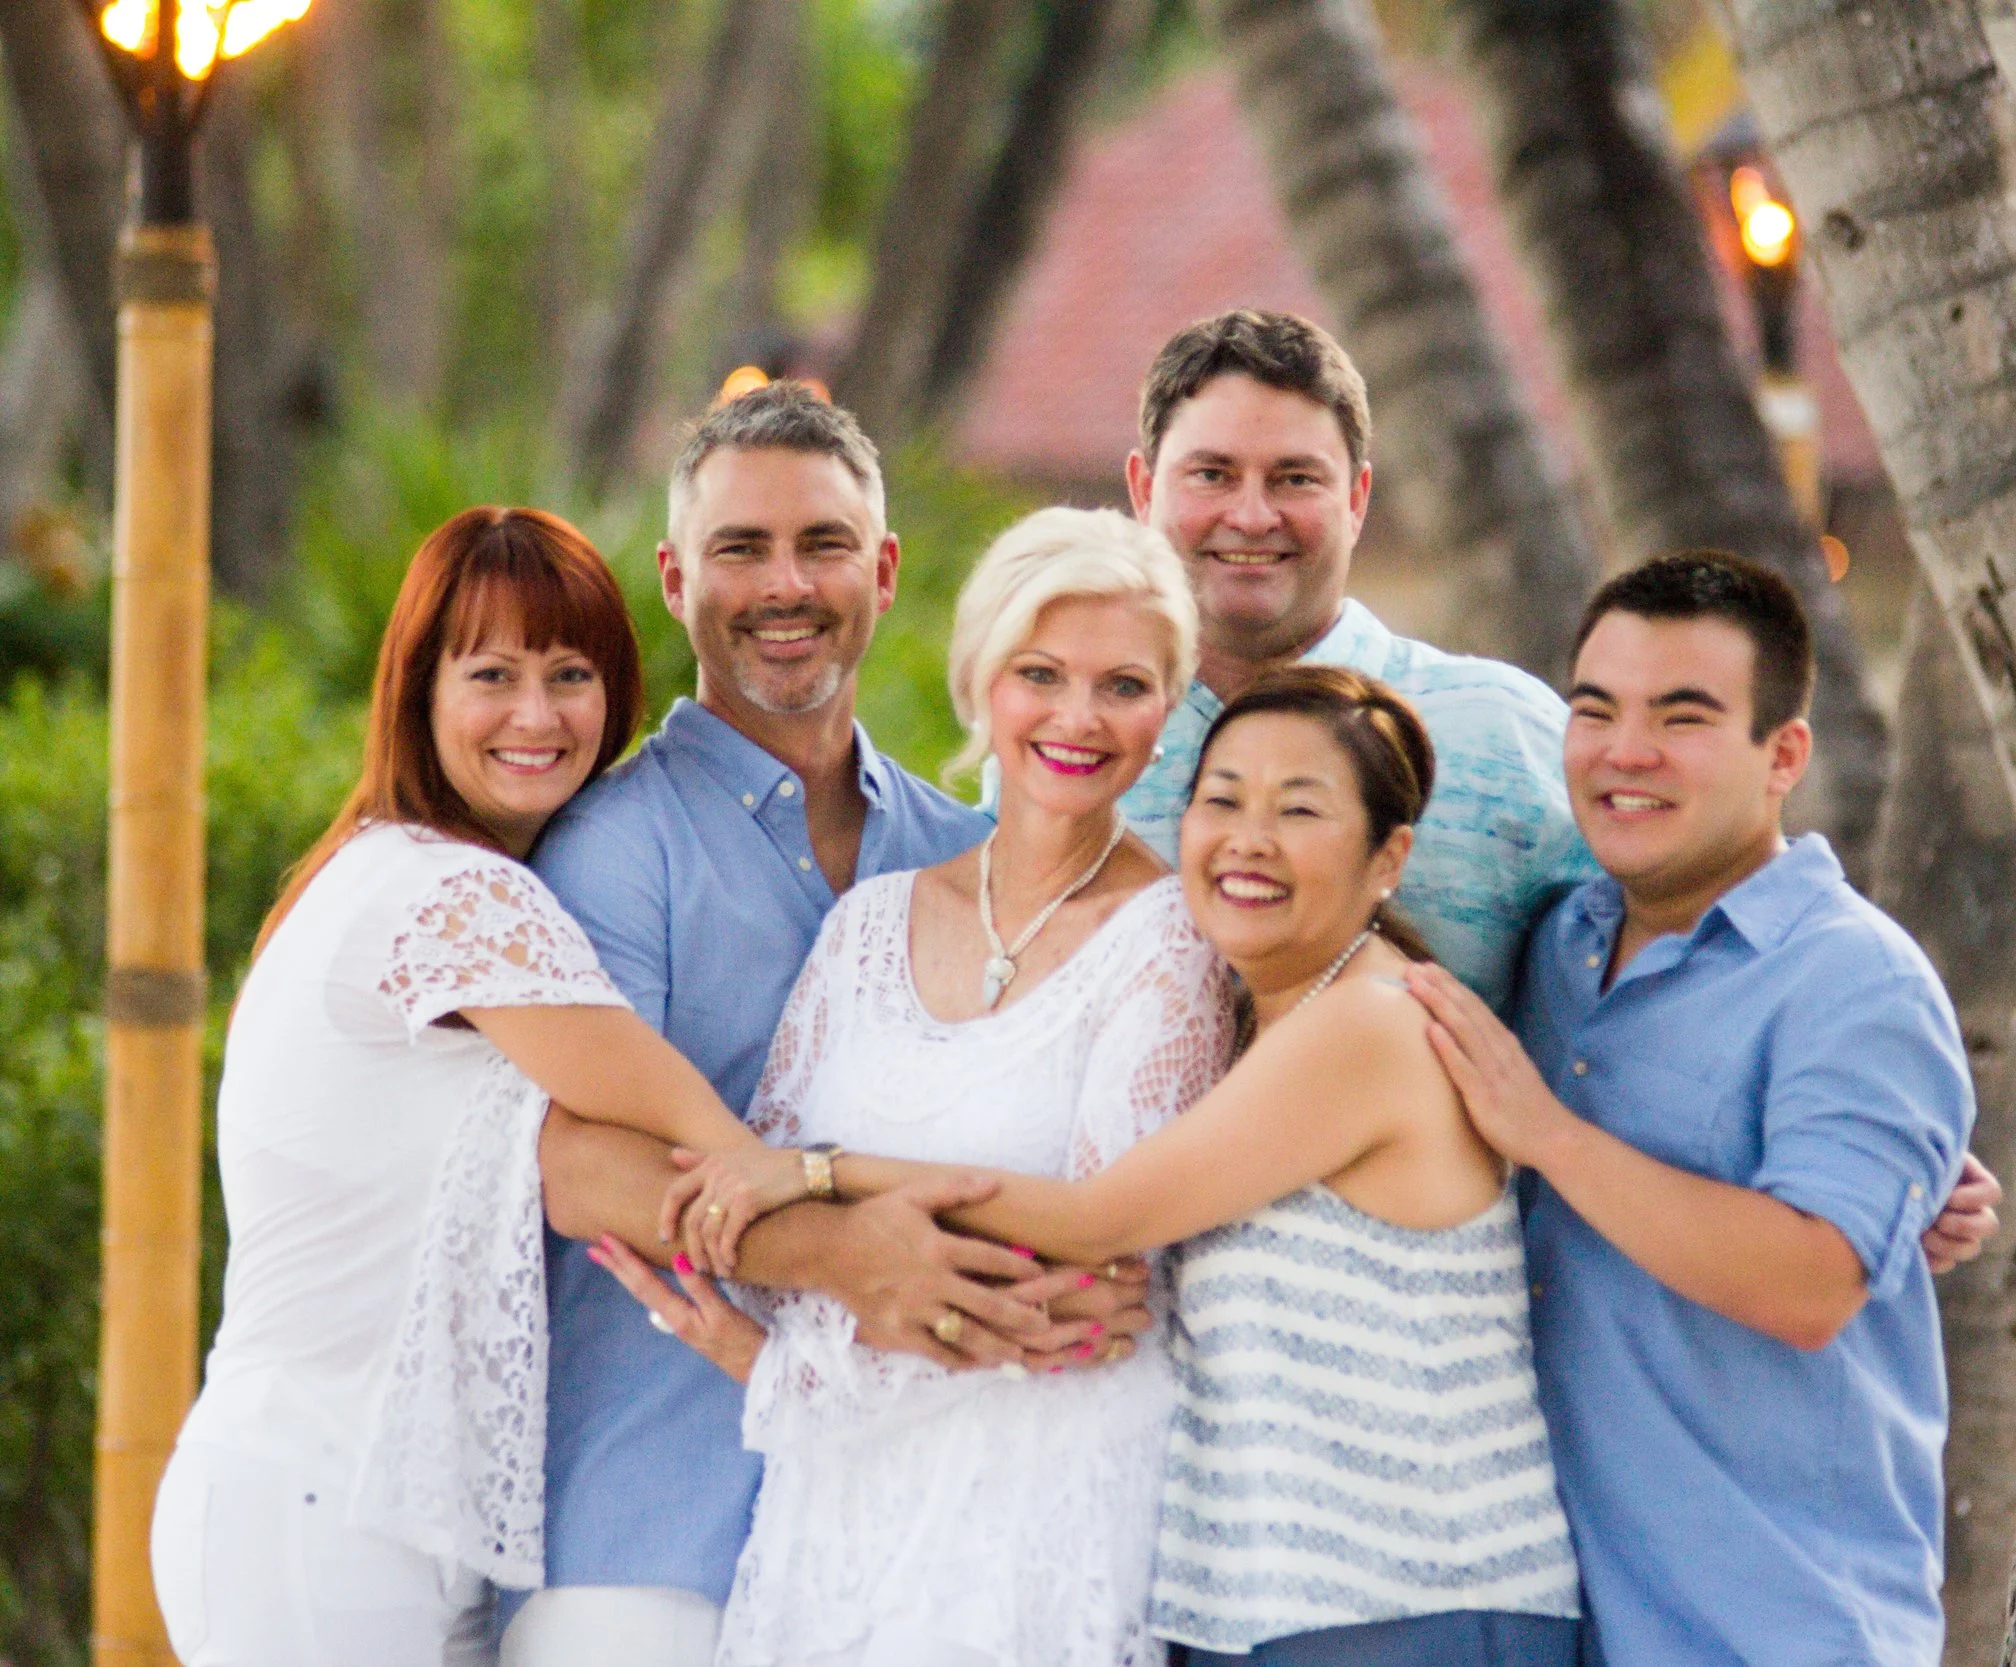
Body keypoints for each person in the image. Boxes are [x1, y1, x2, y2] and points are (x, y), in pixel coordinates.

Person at [687, 666, 1579, 1666]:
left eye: (1299, 809)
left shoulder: (1370, 1021)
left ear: (1388, 858)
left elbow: (1093, 1216)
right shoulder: (1261, 1031)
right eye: (1223, 798)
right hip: (1271, 1607)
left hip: (1408, 1602)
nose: (1249, 836)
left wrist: (816, 1171)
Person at [1115, 309, 2002, 1269]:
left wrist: (1865, 1126)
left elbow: (1699, 946)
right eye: (1211, 475)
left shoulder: (1504, 733)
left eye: (1296, 479)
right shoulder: (1083, 740)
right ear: (1143, 488)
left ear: (1360, 497)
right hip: (1123, 1325)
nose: (1252, 515)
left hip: (1430, 1336)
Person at [146, 508, 860, 1666]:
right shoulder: (440, 892)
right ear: (419, 691)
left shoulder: (409, 877)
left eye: (571, 673)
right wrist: (868, 1253)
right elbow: (668, 1138)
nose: (537, 716)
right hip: (315, 1506)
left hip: (402, 1519)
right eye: (492, 674)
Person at [508, 386, 1150, 1664]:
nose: (784, 584)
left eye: (824, 544)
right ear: (678, 578)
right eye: (742, 548)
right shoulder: (610, 847)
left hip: (911, 1538)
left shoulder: (963, 848)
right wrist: (845, 1253)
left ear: (886, 569)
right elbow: (572, 1161)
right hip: (655, 1538)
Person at [606, 505, 1222, 1664]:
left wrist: (825, 1242)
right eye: (1039, 672)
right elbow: (764, 1223)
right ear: (979, 679)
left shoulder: (1173, 938)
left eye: (1124, 685)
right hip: (836, 1515)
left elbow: (1086, 1284)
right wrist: (780, 1349)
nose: (1077, 718)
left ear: (1170, 705)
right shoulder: (868, 924)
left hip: (1047, 1521)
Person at [1407, 552, 1974, 1665]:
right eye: (1595, 709)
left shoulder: (1853, 981)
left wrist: (1550, 1137)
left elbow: (1810, 1281)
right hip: (1553, 1619)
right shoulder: (1558, 938)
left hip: (1771, 1628)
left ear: (1784, 753)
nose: (1626, 751)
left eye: (1683, 716)